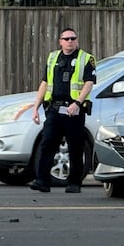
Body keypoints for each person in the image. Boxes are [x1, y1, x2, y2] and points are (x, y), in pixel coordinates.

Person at [29, 28, 96, 193]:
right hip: (55, 108)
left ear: (77, 40)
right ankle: (42, 181)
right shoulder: (53, 57)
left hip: (73, 109)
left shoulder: (86, 58)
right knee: (47, 143)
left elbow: (89, 82)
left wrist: (78, 103)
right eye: (66, 39)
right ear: (60, 41)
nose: (70, 41)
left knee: (75, 146)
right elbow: (44, 83)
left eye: (73, 38)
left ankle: (74, 183)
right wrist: (35, 108)